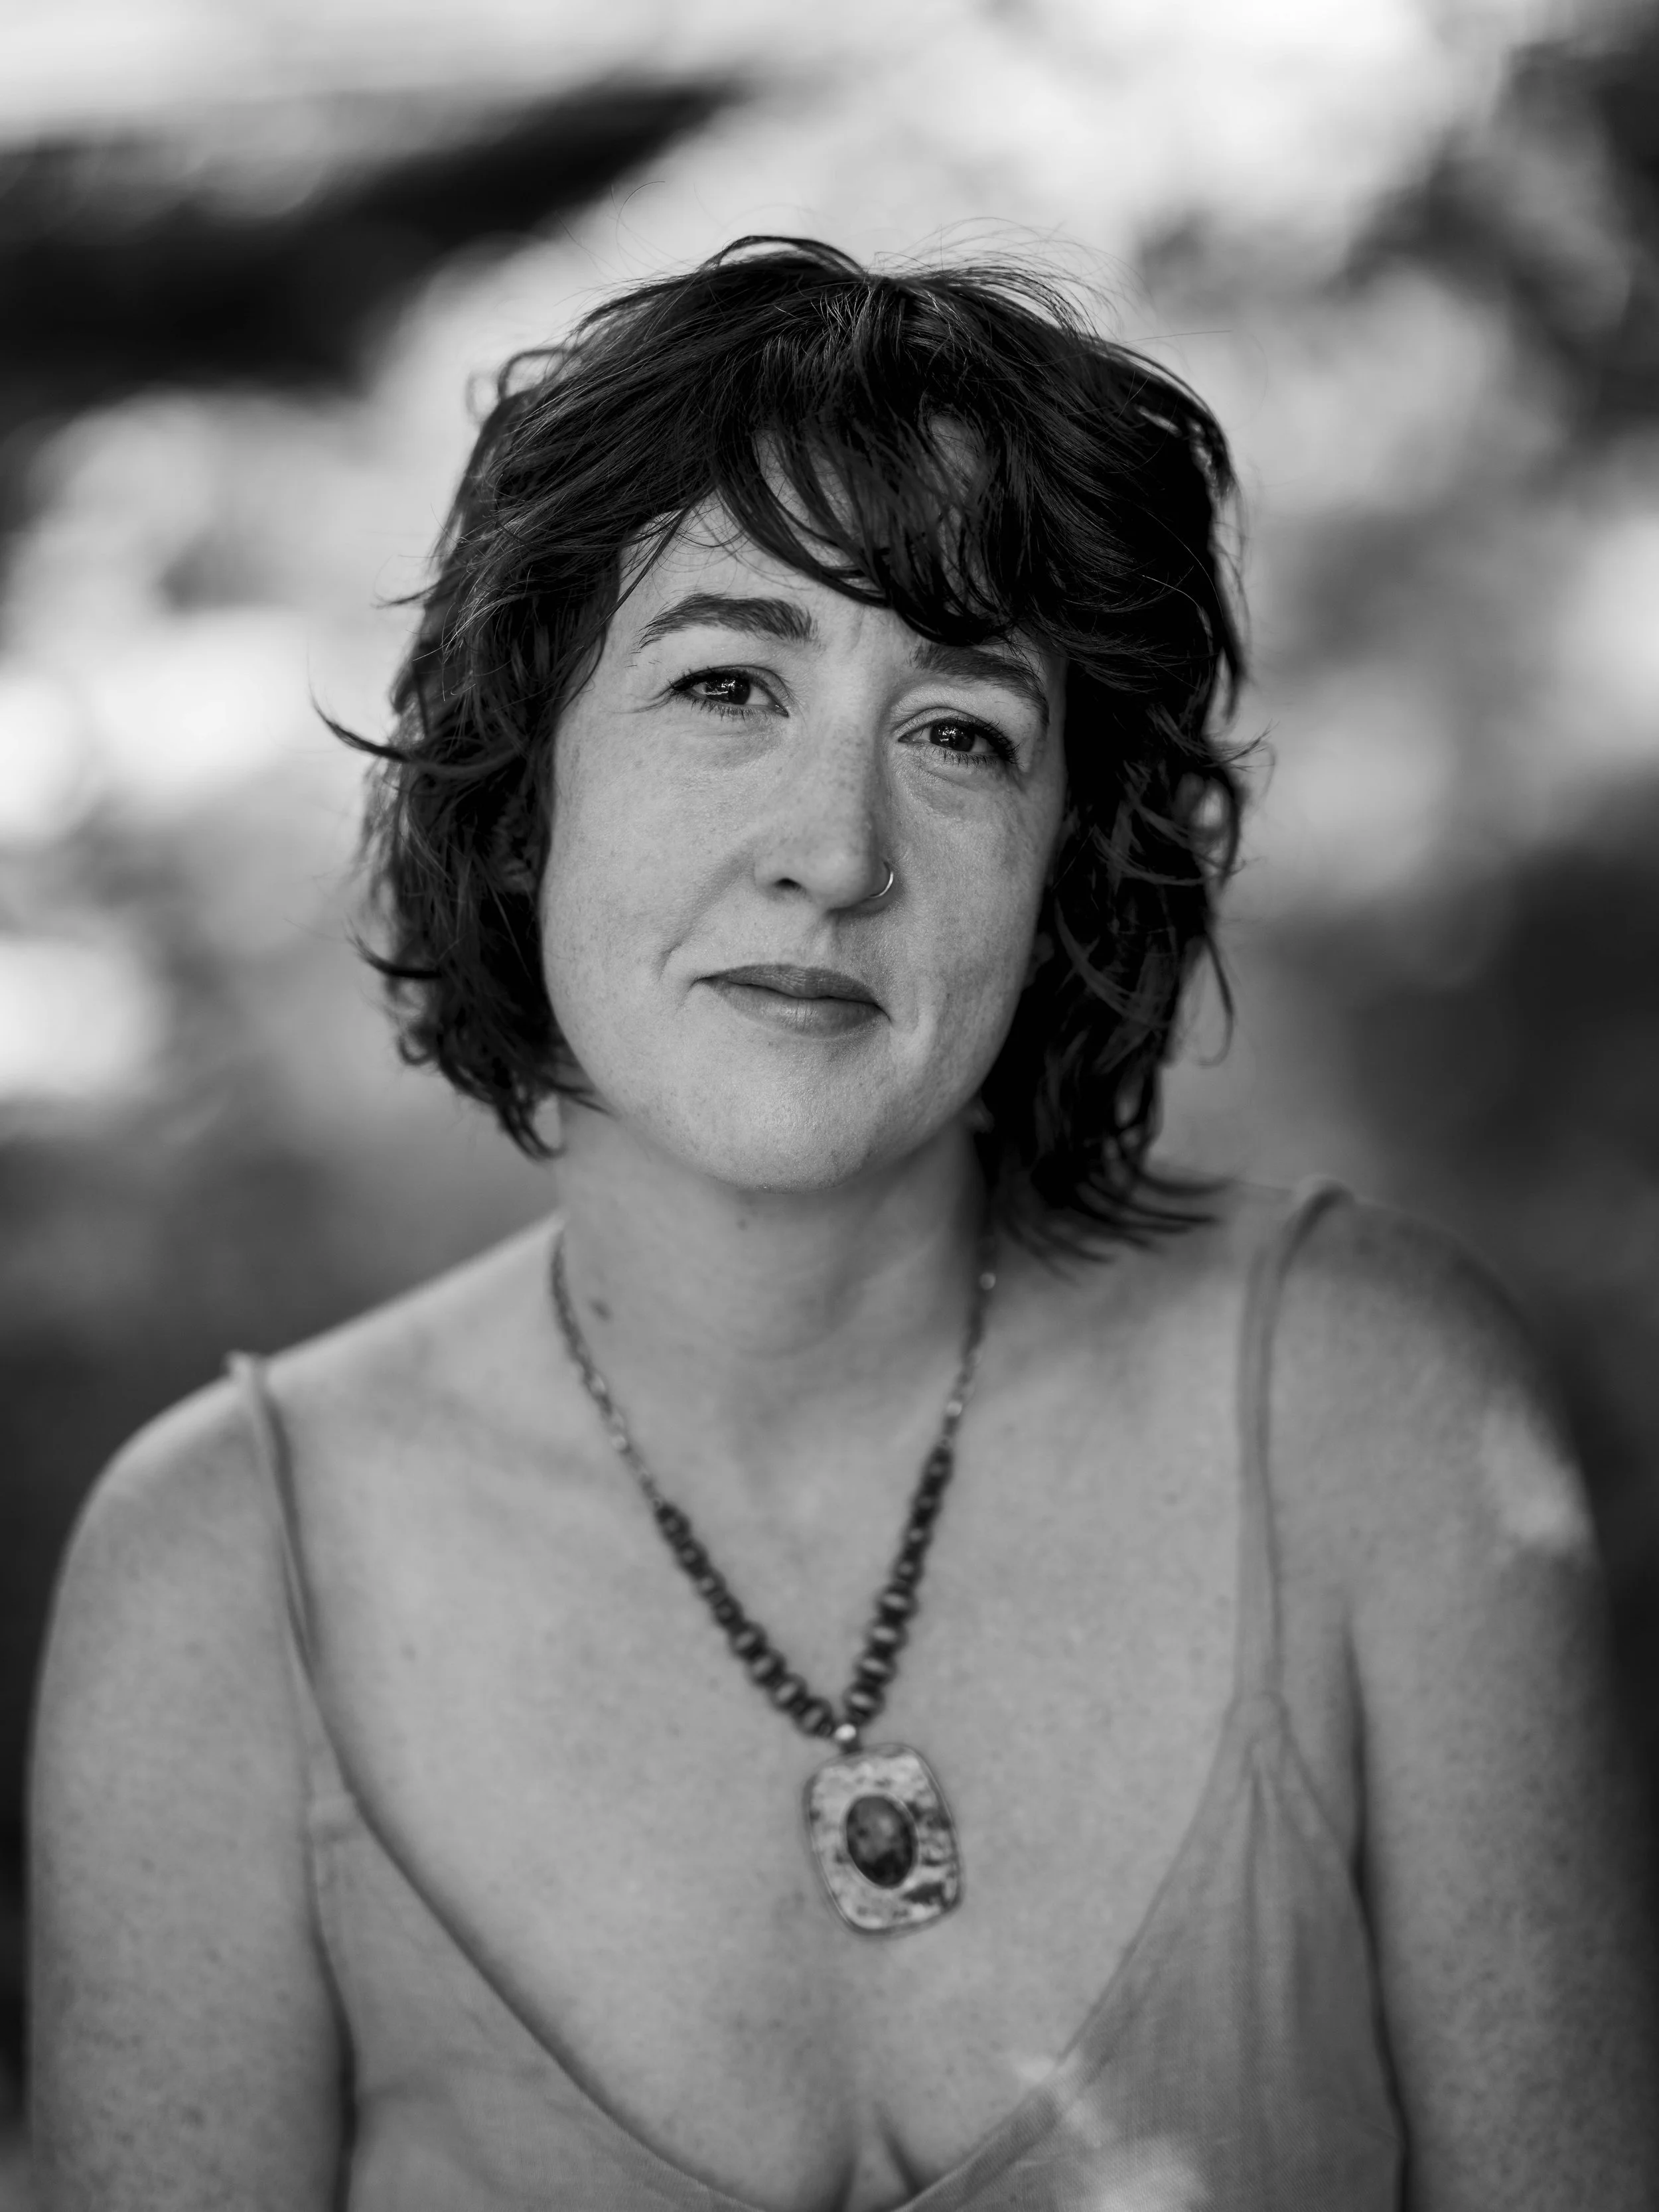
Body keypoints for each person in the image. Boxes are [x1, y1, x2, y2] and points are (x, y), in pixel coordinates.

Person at [27, 238, 1658, 2211]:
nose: (835, 851)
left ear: (1066, 863)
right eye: (727, 683)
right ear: (527, 783)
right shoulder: (219, 1583)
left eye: (960, 731)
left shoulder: (1375, 1418)